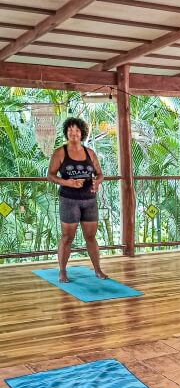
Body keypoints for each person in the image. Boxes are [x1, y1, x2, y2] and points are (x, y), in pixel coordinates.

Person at [48, 117, 107, 283]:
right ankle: (62, 271)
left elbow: (100, 174)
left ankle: (98, 270)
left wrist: (97, 182)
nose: (73, 133)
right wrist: (67, 182)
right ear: (66, 133)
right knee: (67, 237)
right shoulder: (60, 152)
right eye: (70, 130)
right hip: (69, 200)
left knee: (91, 237)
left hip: (89, 199)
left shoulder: (90, 153)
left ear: (82, 133)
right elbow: (50, 176)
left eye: (77, 131)